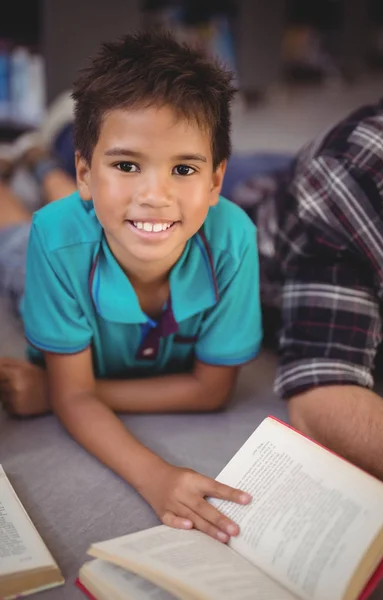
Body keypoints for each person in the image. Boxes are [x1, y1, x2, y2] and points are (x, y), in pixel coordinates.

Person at [0, 30, 262, 542]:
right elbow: (76, 397)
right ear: (87, 170)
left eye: (183, 168)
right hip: (47, 251)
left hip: (92, 220)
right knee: (14, 235)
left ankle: (34, 159)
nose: (155, 195)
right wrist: (156, 476)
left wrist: (55, 394)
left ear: (215, 183)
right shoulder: (53, 242)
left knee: (110, 212)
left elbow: (211, 391)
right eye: (126, 165)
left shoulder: (234, 240)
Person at [231, 97, 383, 491]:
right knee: (167, 162)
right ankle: (68, 131)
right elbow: (321, 395)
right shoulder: (362, 168)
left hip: (307, 180)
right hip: (267, 222)